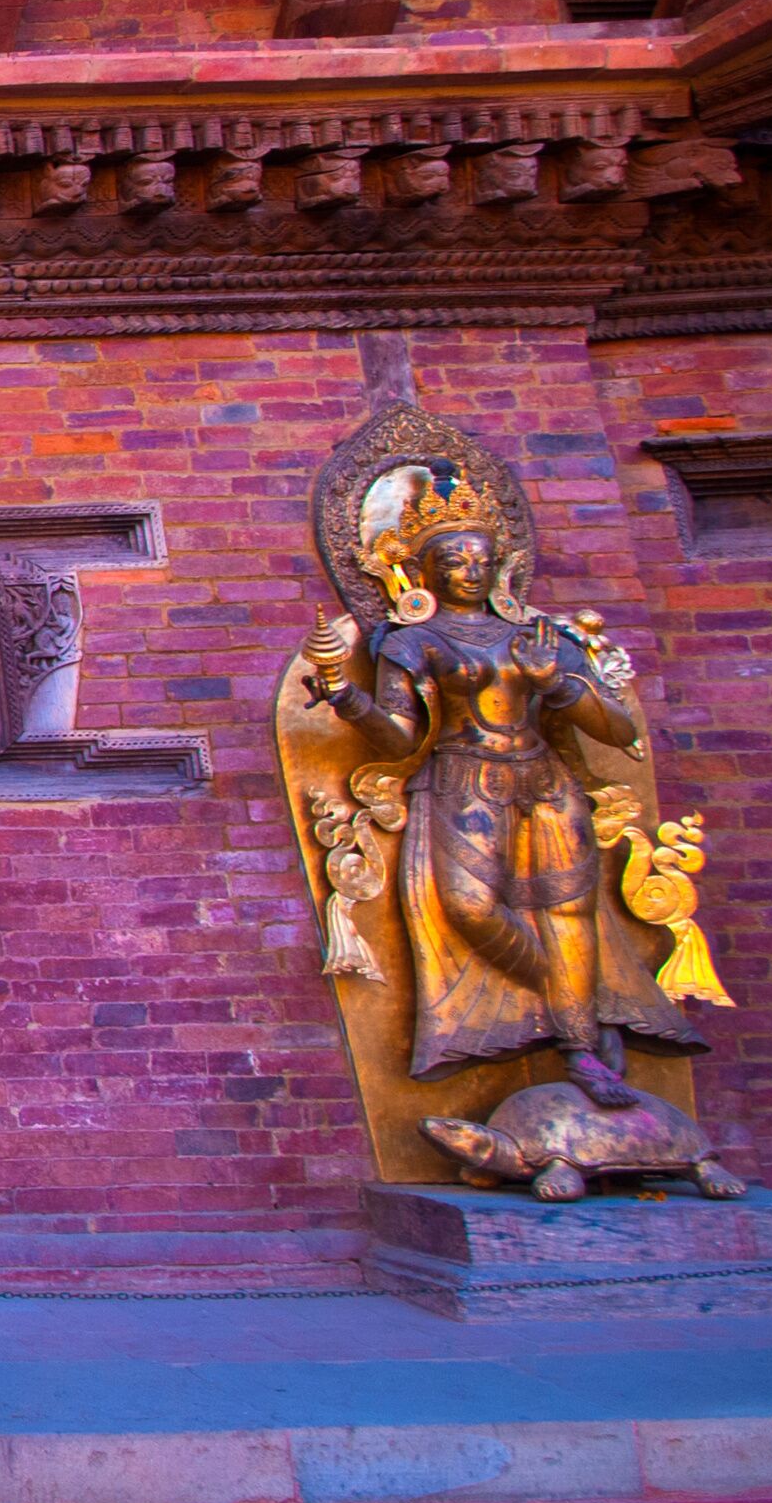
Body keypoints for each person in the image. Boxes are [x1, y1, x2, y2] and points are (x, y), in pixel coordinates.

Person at [300, 472, 701, 1104]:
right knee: (469, 908)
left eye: (482, 559)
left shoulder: (539, 639)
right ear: (422, 571)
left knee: (569, 912)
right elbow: (400, 739)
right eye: (452, 560)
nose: (469, 571)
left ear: (502, 567)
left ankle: (577, 1045)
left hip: (544, 778)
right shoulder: (413, 641)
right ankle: (578, 1008)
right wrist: (346, 698)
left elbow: (616, 727)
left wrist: (557, 685)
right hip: (462, 779)